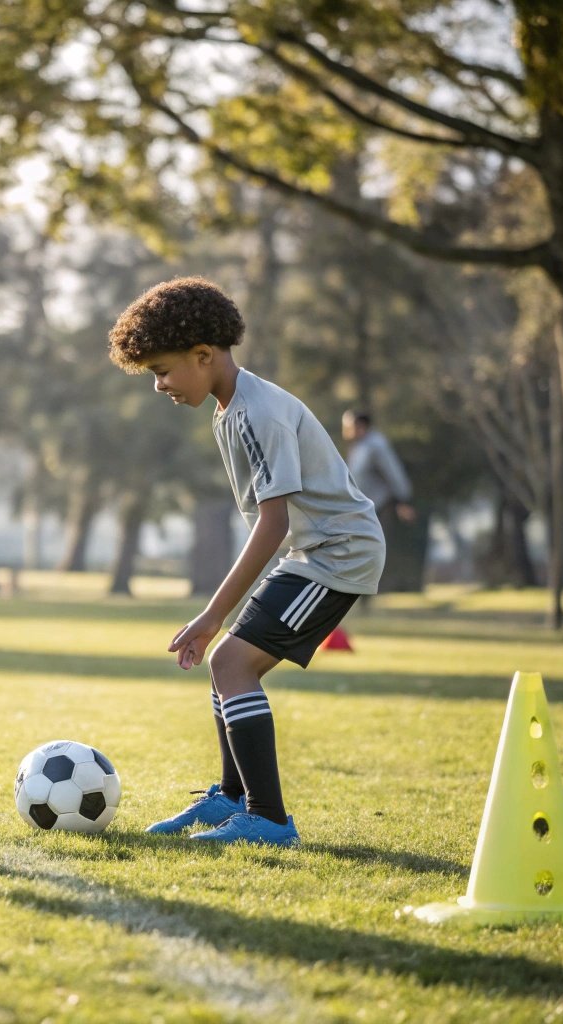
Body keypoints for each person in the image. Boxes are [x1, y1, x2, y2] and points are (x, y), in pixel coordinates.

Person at [107, 277, 384, 847]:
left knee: (230, 660)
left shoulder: (259, 412)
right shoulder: (232, 405)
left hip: (338, 554)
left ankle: (268, 819)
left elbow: (273, 522)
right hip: (312, 552)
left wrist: (211, 616)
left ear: (202, 355)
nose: (159, 385)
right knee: (228, 665)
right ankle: (233, 800)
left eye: (162, 370)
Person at [342, 410, 415, 528]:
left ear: (360, 426)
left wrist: (403, 500)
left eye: (347, 426)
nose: (344, 430)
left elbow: (393, 472)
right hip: (364, 508)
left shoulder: (376, 445)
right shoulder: (358, 446)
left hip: (380, 506)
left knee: (377, 543)